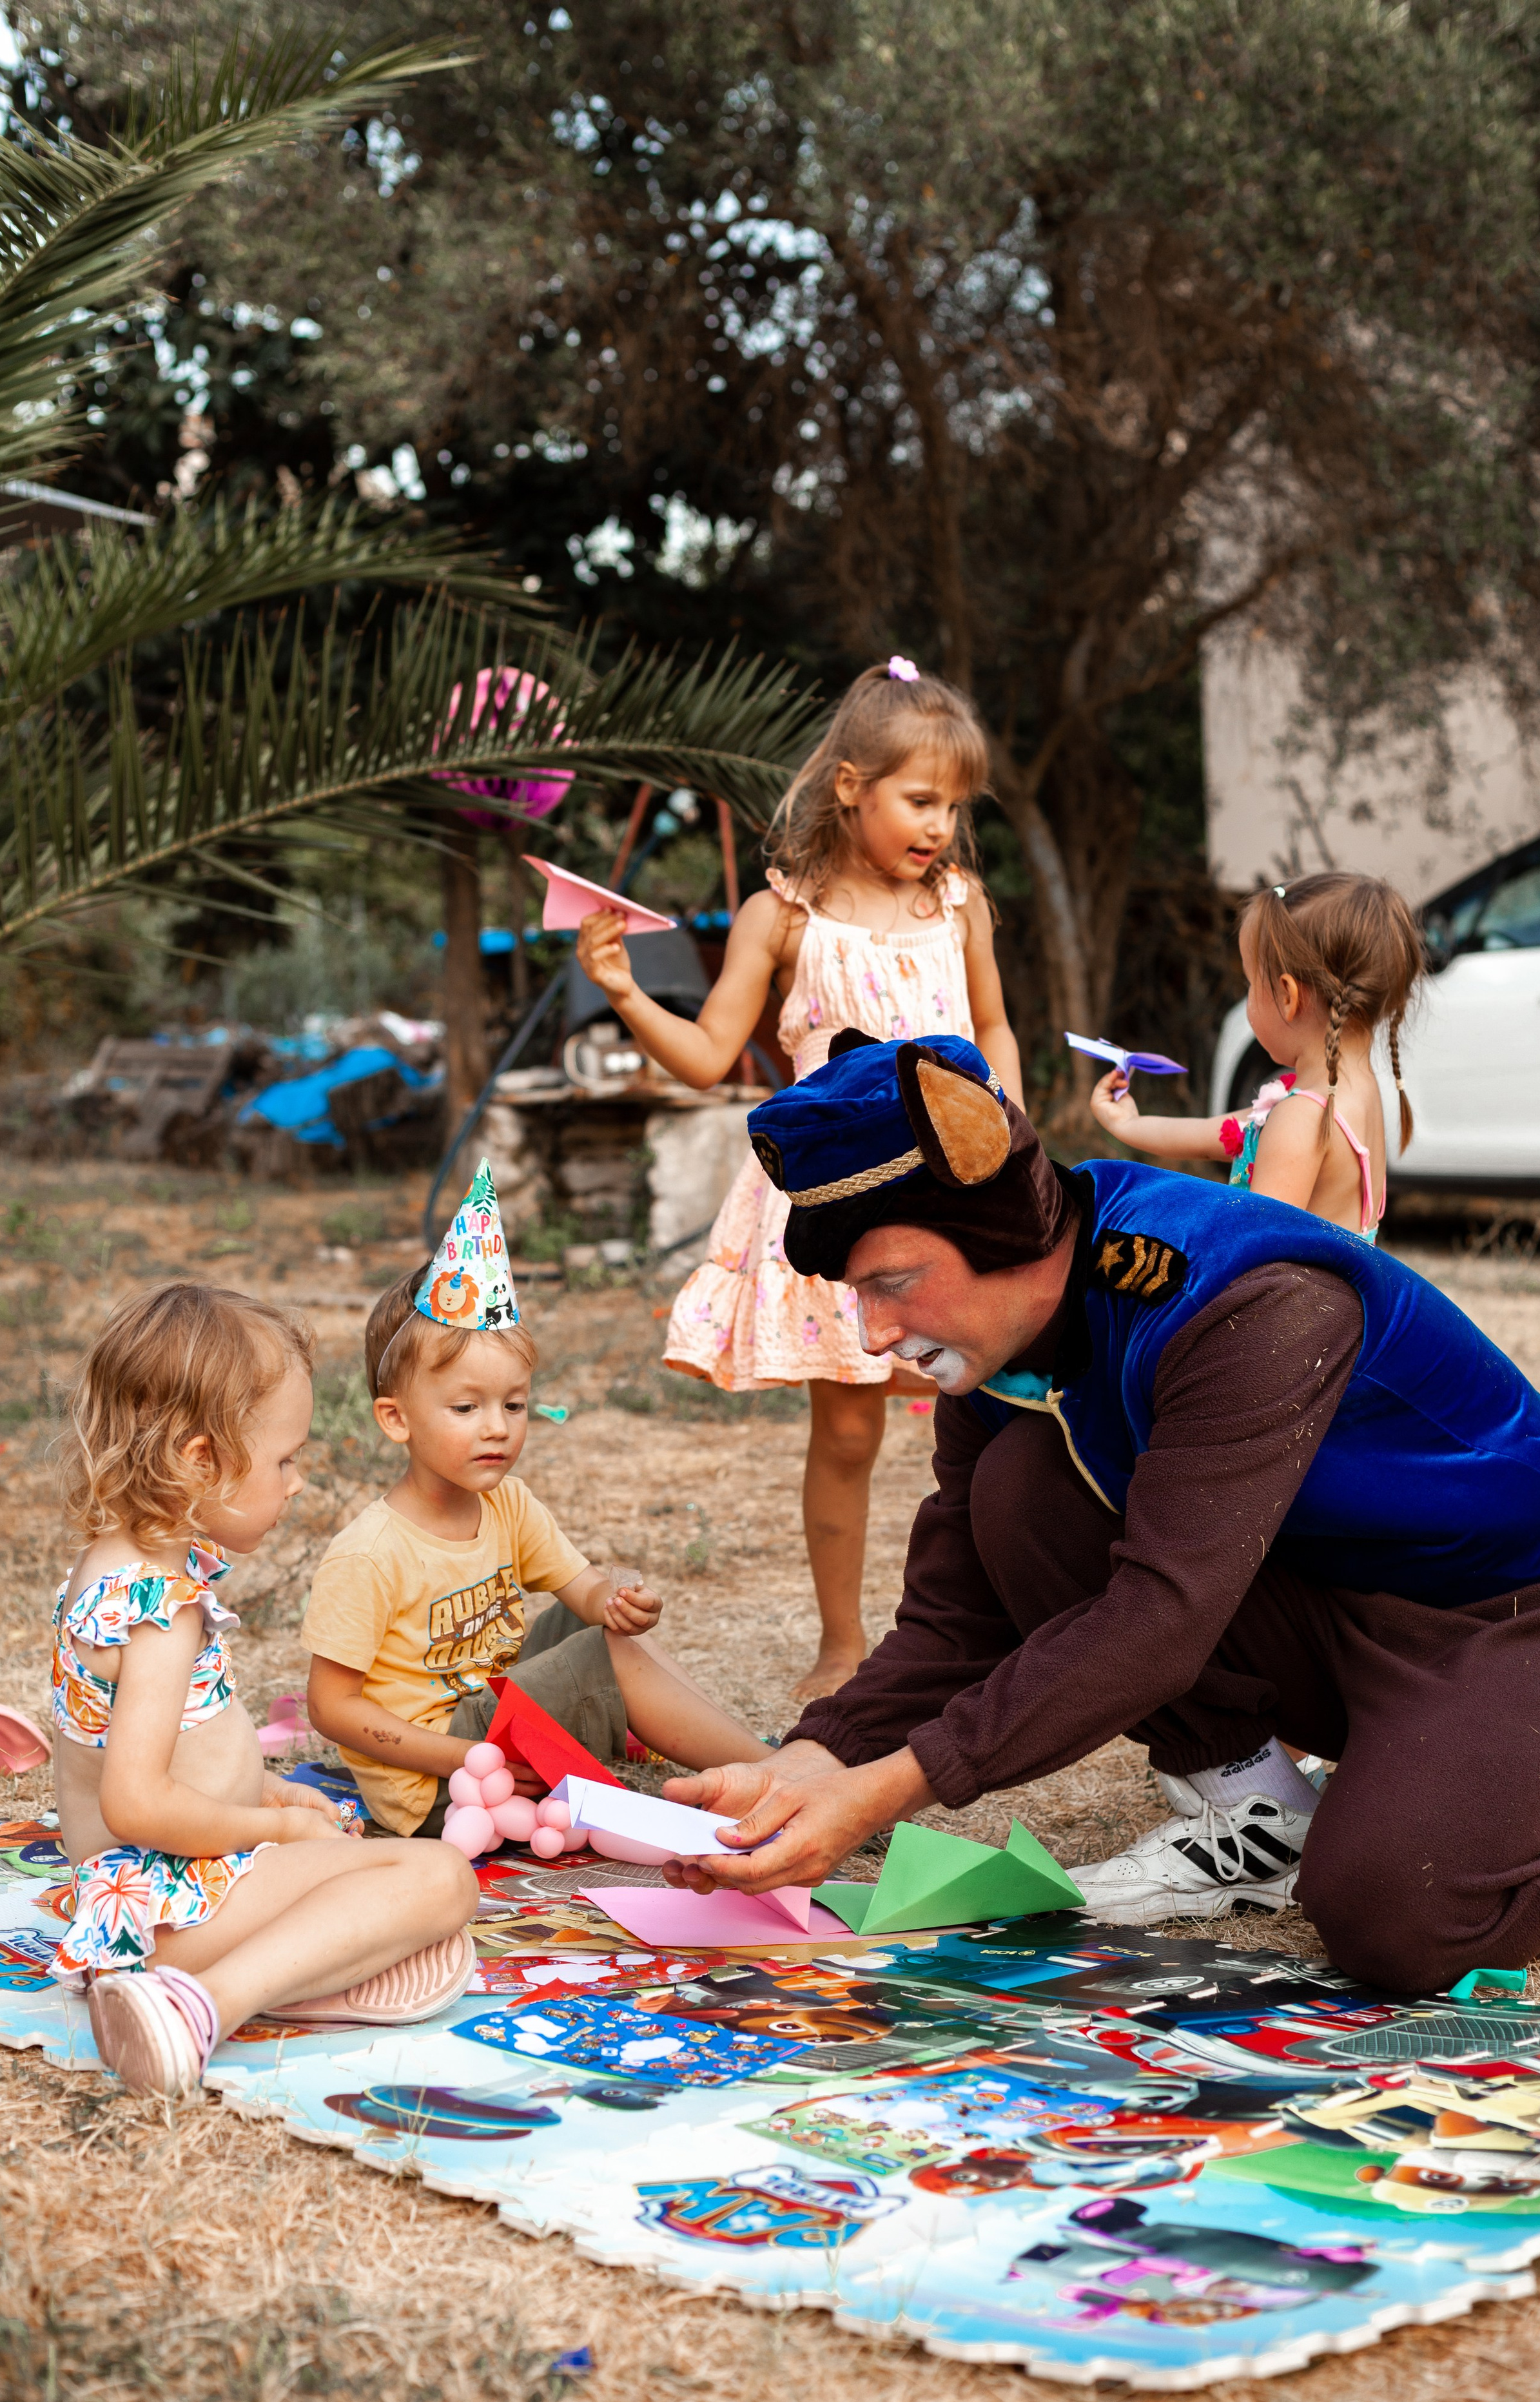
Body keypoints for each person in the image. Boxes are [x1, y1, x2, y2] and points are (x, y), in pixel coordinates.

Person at [654, 1031, 1540, 1998]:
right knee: (1021, 1485)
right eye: (858, 1294)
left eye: (892, 1284)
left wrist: (889, 1789)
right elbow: (958, 1617)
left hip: (1510, 1613)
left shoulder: (1245, 1298)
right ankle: (1260, 1811)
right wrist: (809, 1765)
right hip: (1318, 1593)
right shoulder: (1009, 1335)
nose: (875, 1333)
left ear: (1001, 1228)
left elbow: (1161, 1616)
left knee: (1396, 1914)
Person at [575, 659, 1022, 1702]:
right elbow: (708, 1055)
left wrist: (1003, 1120)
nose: (941, 827)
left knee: (988, 1413)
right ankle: (842, 1643)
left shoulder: (959, 907)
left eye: (954, 807)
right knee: (850, 1429)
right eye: (922, 800)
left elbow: (995, 1022)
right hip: (839, 1203)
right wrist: (624, 993)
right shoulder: (782, 917)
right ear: (851, 785)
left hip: (953, 1193)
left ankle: (979, 1629)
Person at [51, 1284, 479, 2099]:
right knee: (441, 1879)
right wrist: (274, 1826)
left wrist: (268, 1794)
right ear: (199, 1461)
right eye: (285, 1460)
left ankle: (300, 1975)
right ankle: (198, 2007)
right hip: (169, 1913)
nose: (297, 1482)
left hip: (140, 1900)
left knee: (355, 1862)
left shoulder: (108, 1566)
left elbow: (163, 1753)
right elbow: (136, 1804)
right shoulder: (162, 1612)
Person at [302, 1162, 767, 1834]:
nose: (497, 1427)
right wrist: (467, 1756)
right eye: (466, 1407)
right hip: (439, 1779)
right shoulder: (370, 1554)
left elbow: (582, 1590)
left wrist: (615, 1599)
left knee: (600, 1634)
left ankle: (755, 1763)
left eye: (514, 1404)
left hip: (489, 1726)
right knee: (603, 1658)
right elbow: (332, 1707)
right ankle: (773, 1777)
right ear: (396, 1419)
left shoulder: (509, 1505)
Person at [1088, 872, 1425, 1242]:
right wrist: (1129, 1124)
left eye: (1250, 983)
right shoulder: (1355, 1095)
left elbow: (1256, 1255)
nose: (1247, 996)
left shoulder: (1302, 1117)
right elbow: (1213, 1134)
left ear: (1288, 996)